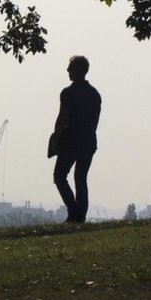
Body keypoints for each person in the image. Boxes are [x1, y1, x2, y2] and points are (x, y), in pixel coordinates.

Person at [51, 55, 101, 223]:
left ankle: (73, 211)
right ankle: (80, 215)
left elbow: (62, 117)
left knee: (59, 176)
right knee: (81, 178)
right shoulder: (95, 94)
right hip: (89, 142)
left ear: (76, 71)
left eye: (70, 68)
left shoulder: (68, 93)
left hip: (71, 141)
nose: (67, 71)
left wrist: (56, 138)